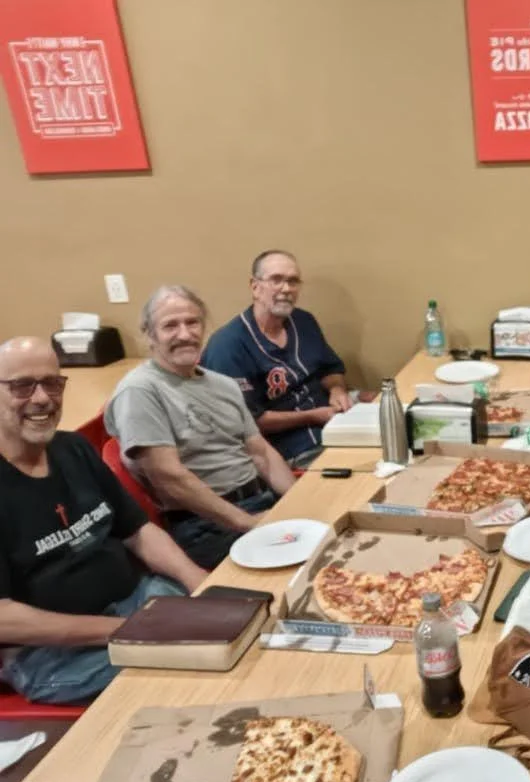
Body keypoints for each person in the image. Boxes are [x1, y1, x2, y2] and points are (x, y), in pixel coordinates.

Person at [0, 337, 207, 704]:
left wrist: (202, 583)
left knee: (238, 629)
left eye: (52, 382)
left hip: (135, 604)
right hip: (49, 654)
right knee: (191, 675)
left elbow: (138, 530)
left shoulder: (73, 448)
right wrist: (125, 630)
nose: (42, 398)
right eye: (22, 386)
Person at [105, 285, 297, 571]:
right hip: (206, 525)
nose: (185, 334)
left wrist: (297, 503)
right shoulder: (140, 391)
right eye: (170, 325)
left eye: (192, 322)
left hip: (261, 502)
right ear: (149, 335)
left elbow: (261, 453)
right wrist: (248, 522)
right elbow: (169, 478)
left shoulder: (224, 384)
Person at [201, 250, 355, 468]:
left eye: (293, 281)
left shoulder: (304, 321)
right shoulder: (227, 346)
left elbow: (330, 369)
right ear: (255, 287)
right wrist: (314, 416)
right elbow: (250, 423)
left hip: (334, 420)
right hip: (290, 448)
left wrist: (337, 390)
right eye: (276, 280)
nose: (286, 289)